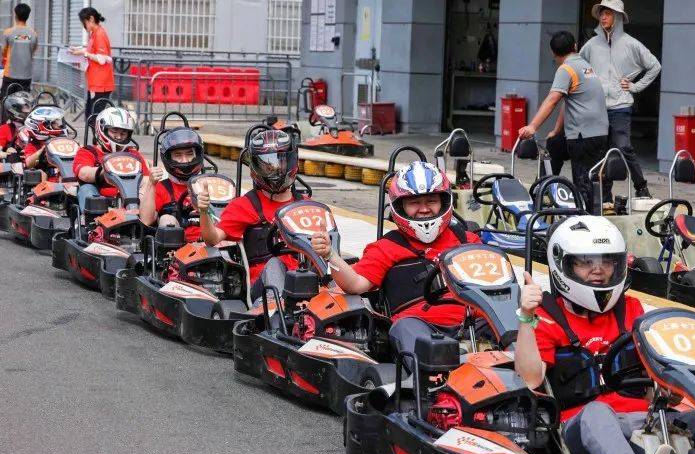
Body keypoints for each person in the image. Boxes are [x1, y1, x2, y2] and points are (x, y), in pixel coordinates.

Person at [513, 215, 695, 454]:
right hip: (581, 429)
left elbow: (657, 372)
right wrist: (525, 318)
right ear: (564, 266)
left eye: (606, 262)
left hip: (643, 420)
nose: (598, 270)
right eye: (585, 262)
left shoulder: (630, 309)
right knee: (597, 413)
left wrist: (673, 390)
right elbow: (530, 379)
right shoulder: (545, 316)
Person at [308, 160, 482, 360]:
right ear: (400, 207)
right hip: (420, 327)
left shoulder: (468, 241)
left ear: (444, 202)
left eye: (431, 201)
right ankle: (436, 367)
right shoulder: (386, 247)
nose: (424, 209)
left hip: (473, 324)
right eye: (414, 203)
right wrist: (330, 255)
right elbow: (355, 284)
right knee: (404, 328)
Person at [197, 127, 304, 299]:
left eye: (280, 162)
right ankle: (277, 309)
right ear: (256, 167)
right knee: (274, 264)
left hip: (305, 282)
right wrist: (204, 212)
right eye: (267, 165)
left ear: (291, 161)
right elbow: (212, 239)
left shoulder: (305, 205)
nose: (275, 169)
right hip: (265, 291)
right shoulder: (244, 205)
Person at [519, 31, 610, 212]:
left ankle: (585, 217)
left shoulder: (566, 69)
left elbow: (552, 100)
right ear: (575, 46)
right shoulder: (585, 66)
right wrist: (556, 130)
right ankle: (543, 190)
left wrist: (532, 126)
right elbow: (568, 101)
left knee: (583, 182)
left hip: (583, 135)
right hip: (598, 132)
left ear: (553, 53)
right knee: (555, 144)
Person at [579, 0, 660, 199]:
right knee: (601, 151)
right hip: (597, 107)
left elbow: (654, 66)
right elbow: (578, 67)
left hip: (620, 106)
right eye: (601, 13)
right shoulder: (591, 45)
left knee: (623, 147)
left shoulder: (631, 44)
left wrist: (635, 86)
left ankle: (641, 187)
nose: (603, 17)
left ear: (618, 17)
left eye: (608, 13)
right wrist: (588, 87)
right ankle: (604, 194)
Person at [73, 106, 150, 214]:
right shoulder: (88, 151)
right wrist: (104, 170)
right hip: (101, 200)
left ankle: (138, 212)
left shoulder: (132, 154)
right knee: (86, 188)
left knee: (149, 186)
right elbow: (83, 173)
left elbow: (146, 179)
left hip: (130, 198)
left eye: (123, 133)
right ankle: (95, 219)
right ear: (102, 129)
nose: (119, 137)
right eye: (114, 131)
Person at [139, 127, 205, 240]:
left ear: (198, 155)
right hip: (179, 246)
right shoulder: (161, 187)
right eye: (178, 155)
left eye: (189, 154)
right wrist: (151, 184)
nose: (185, 160)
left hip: (214, 242)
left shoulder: (210, 184)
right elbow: (146, 220)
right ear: (168, 158)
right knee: (166, 219)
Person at [69, 7, 114, 124]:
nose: (83, 26)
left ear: (91, 19)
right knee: (90, 117)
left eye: (84, 22)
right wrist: (80, 50)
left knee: (94, 118)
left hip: (101, 84)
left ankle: (98, 136)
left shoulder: (99, 34)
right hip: (95, 82)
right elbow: (92, 51)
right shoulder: (94, 34)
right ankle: (96, 135)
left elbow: (102, 59)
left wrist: (84, 53)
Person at [0, 2, 38, 115]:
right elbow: (33, 50)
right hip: (26, 75)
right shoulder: (33, 34)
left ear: (15, 15)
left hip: (10, 74)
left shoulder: (8, 33)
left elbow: (4, 51)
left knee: (5, 100)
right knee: (24, 103)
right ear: (28, 16)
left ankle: (4, 122)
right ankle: (22, 123)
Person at [21, 105, 68, 172]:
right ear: (44, 126)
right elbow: (28, 164)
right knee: (42, 174)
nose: (59, 125)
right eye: (54, 123)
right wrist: (43, 150)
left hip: (65, 171)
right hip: (47, 174)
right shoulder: (33, 145)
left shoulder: (62, 140)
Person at [0, 91, 34, 160]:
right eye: (26, 107)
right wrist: (7, 154)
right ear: (15, 110)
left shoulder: (37, 126)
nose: (30, 110)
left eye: (31, 106)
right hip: (18, 162)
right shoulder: (5, 129)